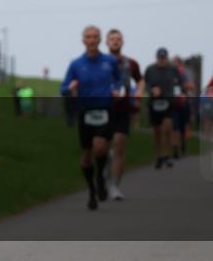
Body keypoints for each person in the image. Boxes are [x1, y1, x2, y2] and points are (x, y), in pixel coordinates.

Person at [60, 25, 123, 211]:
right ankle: (92, 190)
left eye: (95, 36)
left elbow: (119, 79)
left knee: (100, 146)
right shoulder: (76, 64)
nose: (92, 40)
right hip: (85, 111)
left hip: (105, 109)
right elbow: (63, 87)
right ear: (83, 40)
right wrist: (69, 88)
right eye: (88, 37)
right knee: (86, 156)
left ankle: (100, 179)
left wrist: (117, 89)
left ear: (100, 39)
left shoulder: (110, 61)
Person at [105, 28, 142, 200]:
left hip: (123, 109)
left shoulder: (131, 63)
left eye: (118, 39)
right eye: (112, 39)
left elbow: (140, 79)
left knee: (119, 144)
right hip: (102, 108)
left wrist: (138, 93)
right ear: (106, 42)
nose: (115, 41)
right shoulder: (100, 61)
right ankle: (106, 161)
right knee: (101, 147)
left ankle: (114, 186)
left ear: (122, 42)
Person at [144, 48, 183, 169]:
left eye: (164, 58)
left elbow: (179, 83)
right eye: (160, 58)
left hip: (168, 102)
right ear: (156, 58)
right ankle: (159, 156)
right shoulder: (150, 69)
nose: (162, 60)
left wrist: (181, 93)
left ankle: (167, 155)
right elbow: (145, 84)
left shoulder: (173, 69)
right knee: (157, 132)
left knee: (167, 128)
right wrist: (152, 90)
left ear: (167, 58)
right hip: (154, 103)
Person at [171, 55, 195, 159]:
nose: (175, 64)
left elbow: (191, 86)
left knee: (183, 127)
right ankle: (175, 149)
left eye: (177, 62)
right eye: (174, 63)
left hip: (184, 103)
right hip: (173, 104)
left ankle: (183, 145)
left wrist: (183, 87)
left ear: (181, 64)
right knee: (174, 127)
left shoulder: (184, 73)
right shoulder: (169, 74)